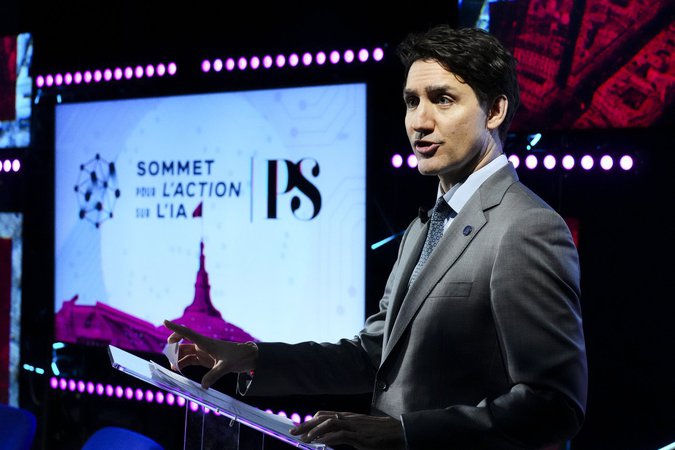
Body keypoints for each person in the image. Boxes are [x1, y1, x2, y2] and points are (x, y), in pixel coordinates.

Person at [164, 24, 588, 450]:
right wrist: (253, 357)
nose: (419, 122)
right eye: (412, 101)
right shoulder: (424, 226)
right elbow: (374, 355)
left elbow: (554, 405)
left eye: (443, 99)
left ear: (494, 111)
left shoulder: (526, 226)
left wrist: (403, 432)